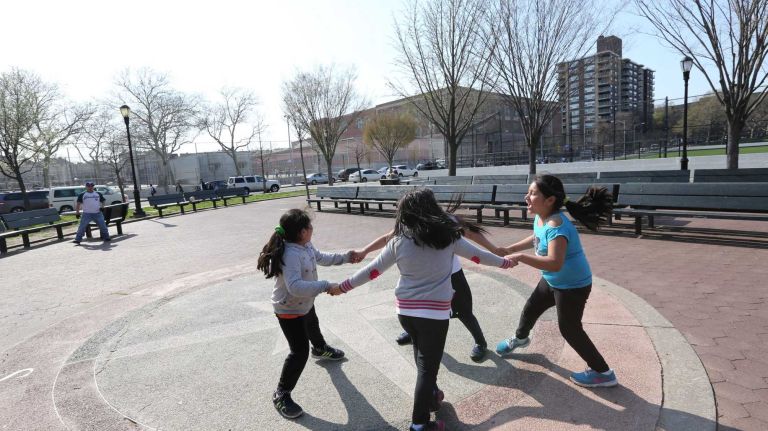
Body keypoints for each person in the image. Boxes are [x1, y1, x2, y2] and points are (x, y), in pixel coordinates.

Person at [329, 189, 515, 431]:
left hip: (406, 312)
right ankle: (419, 424)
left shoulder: (398, 241)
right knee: (427, 368)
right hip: (434, 316)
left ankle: (430, 397)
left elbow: (372, 271)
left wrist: (342, 288)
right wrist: (506, 262)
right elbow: (479, 257)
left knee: (421, 357)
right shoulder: (448, 237)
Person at [495, 174, 617, 388]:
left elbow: (554, 263)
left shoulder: (557, 226)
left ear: (550, 200)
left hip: (572, 286)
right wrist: (511, 249)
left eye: (533, 194)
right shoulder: (541, 217)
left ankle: (603, 372)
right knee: (530, 309)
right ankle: (521, 339)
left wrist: (521, 257)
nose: (527, 197)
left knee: (569, 329)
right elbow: (536, 237)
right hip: (553, 281)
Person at [353, 214, 501, 362]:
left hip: (451, 275)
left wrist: (494, 249)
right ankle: (413, 334)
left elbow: (471, 233)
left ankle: (480, 342)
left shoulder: (446, 219)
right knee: (418, 310)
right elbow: (388, 237)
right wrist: (365, 251)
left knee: (464, 311)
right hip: (421, 277)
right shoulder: (409, 219)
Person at [257, 209, 353, 420]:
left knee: (312, 322)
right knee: (299, 351)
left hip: (304, 303)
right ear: (301, 232)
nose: (312, 229)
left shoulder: (305, 245)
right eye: (310, 226)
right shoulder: (291, 254)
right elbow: (295, 287)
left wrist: (347, 257)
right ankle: (281, 393)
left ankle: (319, 348)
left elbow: (321, 257)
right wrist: (326, 285)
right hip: (288, 308)